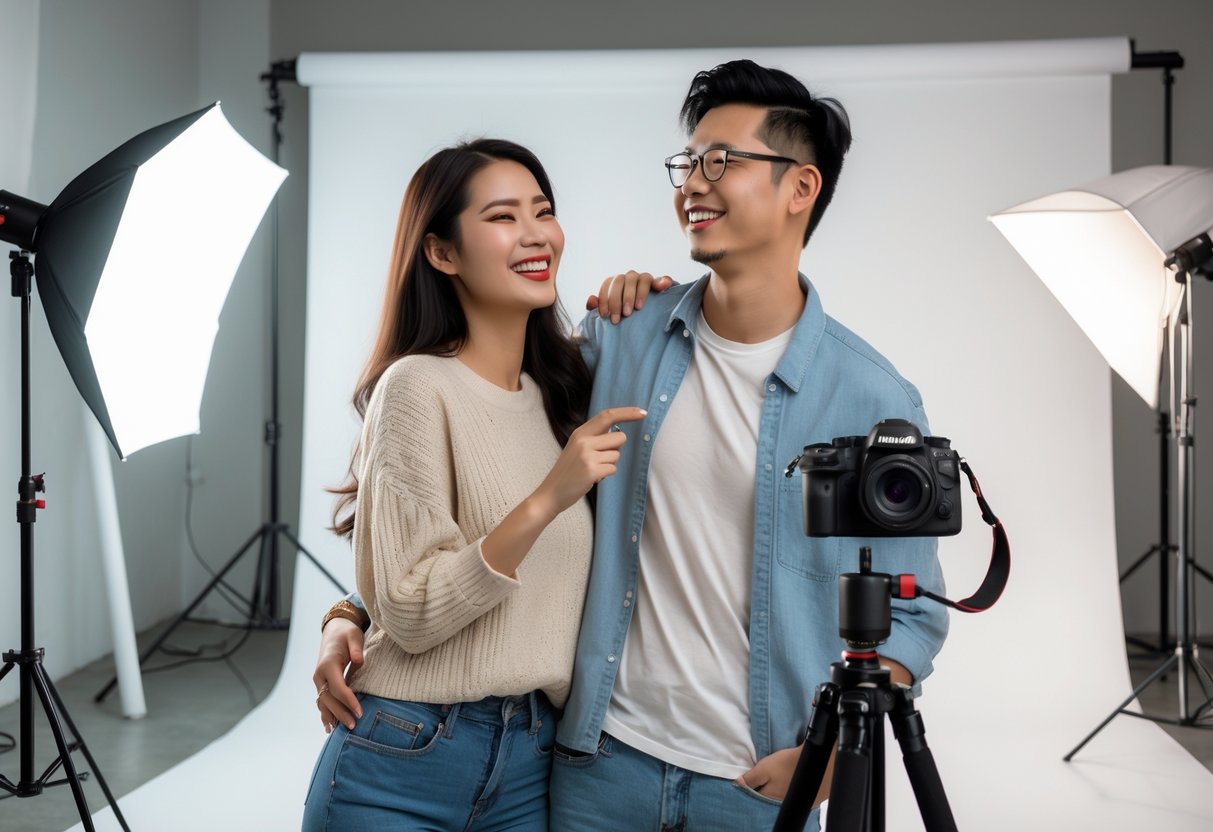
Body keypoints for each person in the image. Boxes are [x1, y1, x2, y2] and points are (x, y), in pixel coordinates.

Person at [315, 60, 948, 831]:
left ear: (799, 188)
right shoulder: (619, 340)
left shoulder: (873, 398)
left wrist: (833, 757)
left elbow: (914, 616)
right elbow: (482, 484)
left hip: (754, 781)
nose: (692, 184)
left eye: (722, 161)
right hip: (597, 765)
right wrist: (352, 614)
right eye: (687, 162)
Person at [300, 138, 647, 831]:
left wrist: (649, 304)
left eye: (542, 211)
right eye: (502, 217)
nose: (535, 234)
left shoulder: (565, 391)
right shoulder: (416, 387)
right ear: (442, 252)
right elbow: (411, 610)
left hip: (533, 762)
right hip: (402, 757)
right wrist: (549, 497)